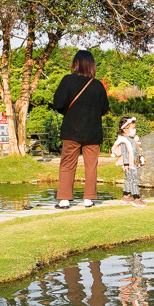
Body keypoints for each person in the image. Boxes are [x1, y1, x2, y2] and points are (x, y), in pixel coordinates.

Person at [52, 50, 110, 208]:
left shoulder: (67, 80)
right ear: (91, 65)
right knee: (91, 166)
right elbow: (104, 108)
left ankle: (64, 200)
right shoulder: (97, 85)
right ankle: (89, 199)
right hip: (93, 132)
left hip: (72, 130)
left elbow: (58, 103)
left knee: (67, 165)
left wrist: (70, 113)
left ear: (75, 63)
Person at [110, 116, 147, 207]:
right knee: (134, 180)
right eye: (133, 128)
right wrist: (126, 164)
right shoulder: (124, 140)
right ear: (126, 129)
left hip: (133, 163)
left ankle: (125, 196)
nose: (134, 130)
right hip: (130, 165)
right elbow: (125, 153)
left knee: (129, 179)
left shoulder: (130, 139)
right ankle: (136, 198)